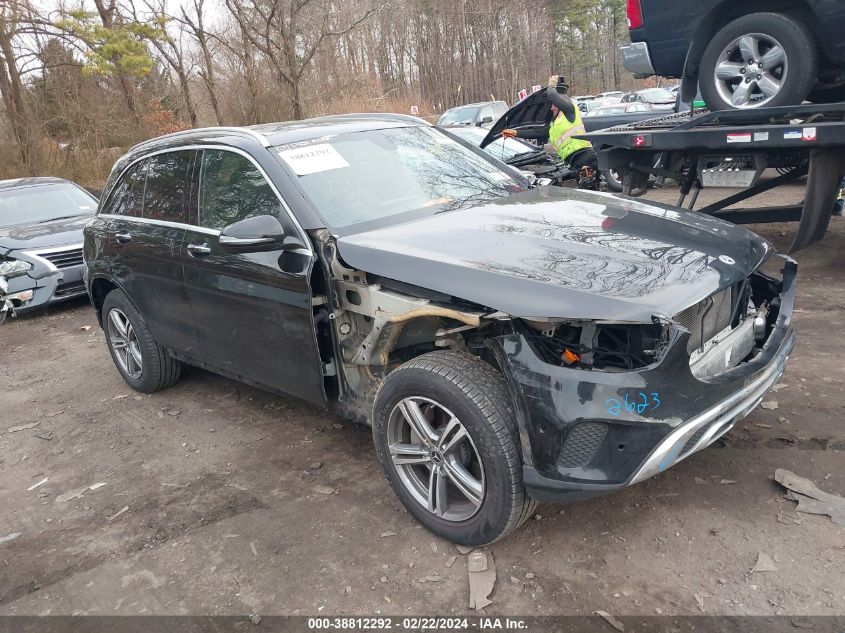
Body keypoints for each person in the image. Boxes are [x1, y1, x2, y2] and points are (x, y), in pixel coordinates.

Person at [502, 75, 599, 177]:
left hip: (585, 158)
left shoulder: (570, 110)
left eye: (553, 105)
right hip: (573, 162)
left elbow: (552, 95)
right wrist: (514, 133)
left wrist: (552, 85)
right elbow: (538, 132)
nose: (551, 108)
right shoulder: (554, 124)